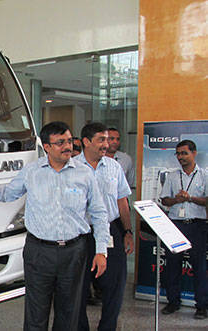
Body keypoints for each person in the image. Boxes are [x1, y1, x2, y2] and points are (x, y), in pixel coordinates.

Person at [0, 121, 109, 331]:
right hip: (39, 252)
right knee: (36, 313)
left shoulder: (84, 174)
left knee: (70, 314)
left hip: (74, 252)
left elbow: (99, 213)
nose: (67, 146)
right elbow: (8, 193)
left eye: (69, 141)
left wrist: (101, 250)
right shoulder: (32, 172)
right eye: (60, 143)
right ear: (47, 147)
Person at [76, 123, 134, 331]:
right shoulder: (71, 167)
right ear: (86, 142)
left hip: (111, 231)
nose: (107, 144)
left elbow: (122, 201)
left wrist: (127, 231)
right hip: (81, 235)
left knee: (115, 287)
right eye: (101, 139)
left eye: (108, 139)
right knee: (78, 289)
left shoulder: (114, 167)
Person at [159, 139, 207, 319]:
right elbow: (164, 200)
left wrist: (190, 198)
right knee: (172, 266)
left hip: (197, 225)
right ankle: (173, 302)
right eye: (178, 154)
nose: (180, 157)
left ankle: (202, 305)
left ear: (194, 153)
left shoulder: (204, 175)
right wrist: (176, 200)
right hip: (175, 225)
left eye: (184, 153)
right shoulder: (172, 176)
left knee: (200, 267)